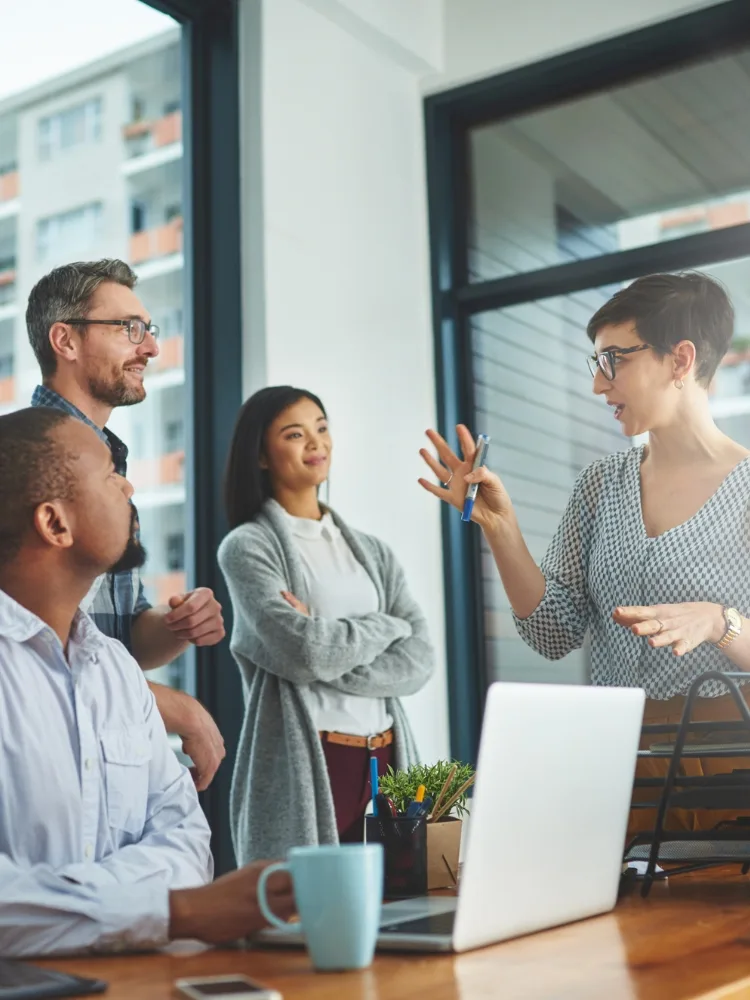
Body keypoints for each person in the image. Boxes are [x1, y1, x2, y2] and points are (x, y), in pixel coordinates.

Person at [420, 272, 750, 832]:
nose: (599, 386)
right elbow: (554, 633)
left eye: (614, 360)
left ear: (681, 360)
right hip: (620, 767)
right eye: (596, 364)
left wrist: (722, 623)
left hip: (731, 771)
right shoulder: (601, 484)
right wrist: (501, 529)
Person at [0, 407, 294, 958]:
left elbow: (184, 836)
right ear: (54, 523)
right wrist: (172, 912)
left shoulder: (114, 669)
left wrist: (78, 908)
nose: (129, 485)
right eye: (111, 474)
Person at [26, 259, 226, 791]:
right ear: (65, 340)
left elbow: (125, 636)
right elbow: (33, 653)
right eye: (129, 329)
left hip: (108, 756)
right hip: (47, 762)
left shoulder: (113, 465)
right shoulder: (22, 463)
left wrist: (175, 625)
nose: (151, 348)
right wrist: (171, 705)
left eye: (150, 330)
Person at [218, 386, 434, 863]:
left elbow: (420, 662)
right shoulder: (248, 547)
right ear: (260, 455)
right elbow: (306, 653)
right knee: (308, 920)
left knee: (404, 915)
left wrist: (328, 638)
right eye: (295, 434)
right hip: (314, 758)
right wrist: (387, 626)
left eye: (321, 427)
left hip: (388, 756)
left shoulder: (374, 551)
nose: (316, 443)